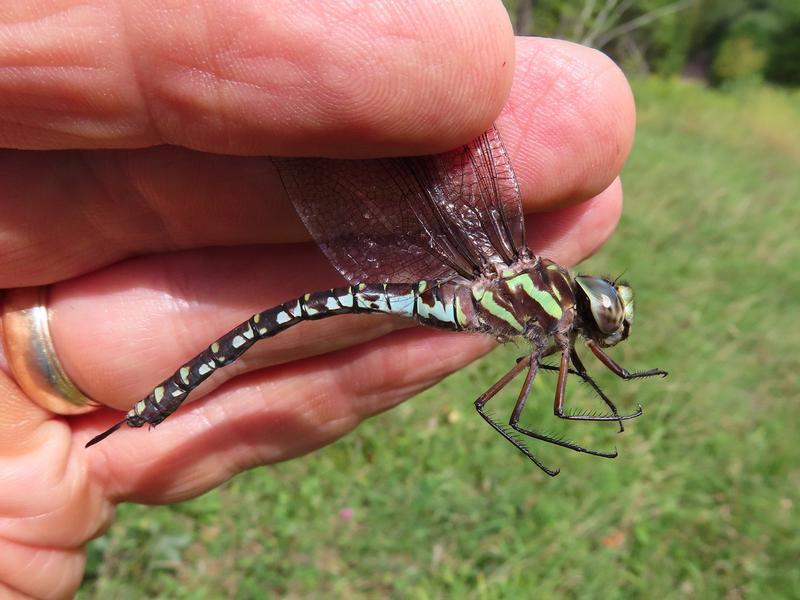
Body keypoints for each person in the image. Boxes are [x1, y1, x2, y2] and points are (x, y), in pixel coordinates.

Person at [0, 1, 635, 596]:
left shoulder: (551, 320)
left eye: (606, 312)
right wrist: (591, 419)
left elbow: (551, 376)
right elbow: (520, 406)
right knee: (506, 403)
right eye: (604, 313)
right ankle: (144, 405)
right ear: (578, 307)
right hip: (428, 284)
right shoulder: (544, 307)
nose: (601, 320)